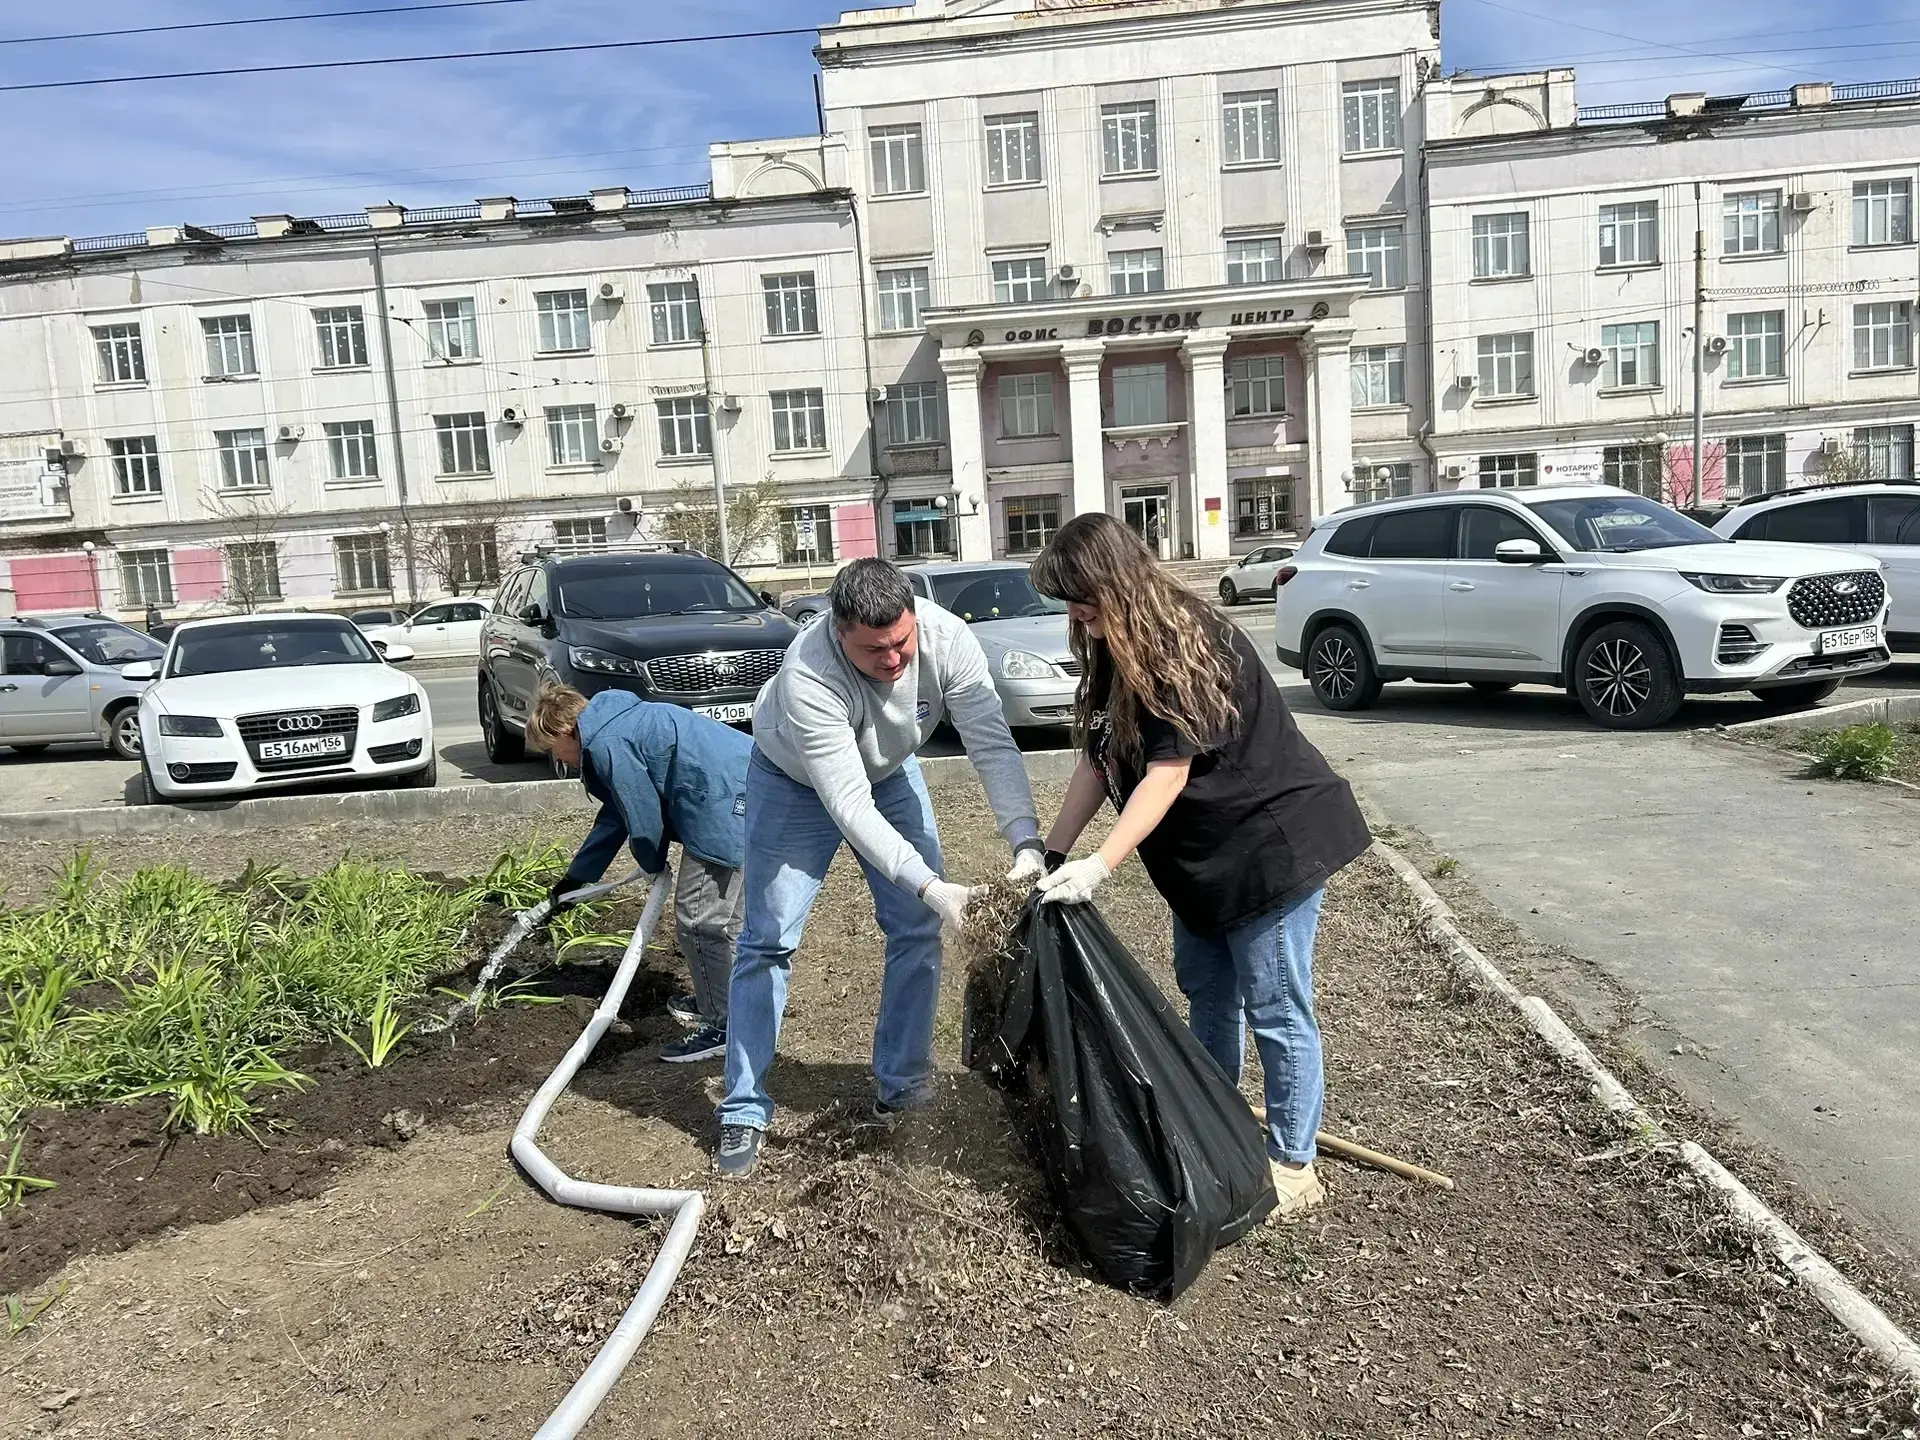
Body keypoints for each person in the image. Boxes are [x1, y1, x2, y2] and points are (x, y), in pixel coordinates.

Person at [1028, 514, 1371, 1219]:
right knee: (1209, 995)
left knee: (1276, 1008)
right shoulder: (1113, 646)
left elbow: (1167, 771)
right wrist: (1048, 851)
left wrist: (1100, 865)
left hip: (1269, 850)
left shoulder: (1186, 642)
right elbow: (1100, 759)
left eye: (1081, 598)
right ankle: (1214, 1127)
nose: (1075, 613)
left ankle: (1293, 1163)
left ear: (1113, 582)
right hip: (1206, 864)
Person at [715, 558, 1047, 1179]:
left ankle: (903, 1085)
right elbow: (847, 804)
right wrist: (932, 886)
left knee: (917, 929)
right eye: (874, 650)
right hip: (793, 782)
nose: (894, 660)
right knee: (768, 939)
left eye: (902, 641)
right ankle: (744, 1106)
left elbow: (991, 743)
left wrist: (1025, 842)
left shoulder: (947, 638)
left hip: (889, 771)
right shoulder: (809, 673)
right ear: (838, 631)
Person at [525, 682, 751, 1064]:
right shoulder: (617, 723)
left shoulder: (607, 742)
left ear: (565, 731)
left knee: (699, 923)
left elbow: (642, 818)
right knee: (727, 924)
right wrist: (576, 879)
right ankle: (728, 1005)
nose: (557, 758)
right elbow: (616, 813)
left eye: (553, 748)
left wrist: (651, 863)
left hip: (722, 804)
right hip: (747, 790)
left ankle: (724, 1027)